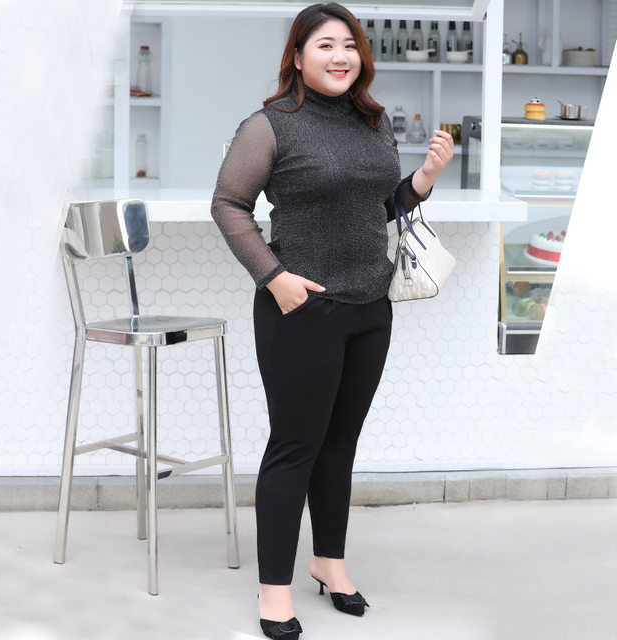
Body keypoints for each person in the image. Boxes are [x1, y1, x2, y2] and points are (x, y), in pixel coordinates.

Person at [211, 4, 453, 638]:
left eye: (349, 44)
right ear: (297, 57)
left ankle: (328, 562)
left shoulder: (373, 122)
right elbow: (229, 204)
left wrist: (424, 177)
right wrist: (275, 277)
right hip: (302, 308)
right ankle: (273, 589)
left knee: (340, 444)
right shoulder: (269, 126)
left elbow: (377, 205)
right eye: (325, 45)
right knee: (295, 448)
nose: (341, 55)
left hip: (371, 307)